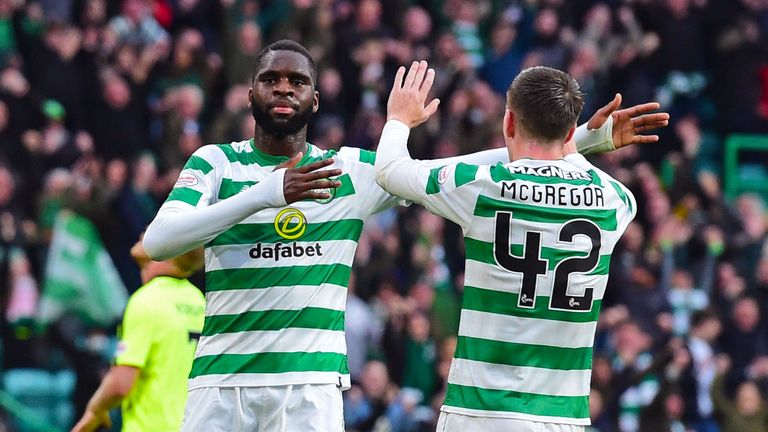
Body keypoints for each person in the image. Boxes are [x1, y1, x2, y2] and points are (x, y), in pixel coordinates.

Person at [142, 40, 668, 431]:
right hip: (218, 382)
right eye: (271, 79)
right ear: (249, 92)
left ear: (316, 100)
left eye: (297, 81)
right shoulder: (215, 162)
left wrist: (576, 139)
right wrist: (266, 193)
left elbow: (470, 169)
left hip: (310, 390)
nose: (283, 87)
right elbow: (160, 241)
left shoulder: (345, 171)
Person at [375, 62, 664, 431]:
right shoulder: (614, 198)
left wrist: (398, 119)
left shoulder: (483, 186)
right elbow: (565, 160)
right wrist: (588, 142)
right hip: (561, 418)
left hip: (480, 413)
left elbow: (390, 170)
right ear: (570, 130)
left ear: (508, 122)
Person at [71, 237, 205, 432]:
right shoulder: (199, 301)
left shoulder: (147, 301)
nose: (143, 234)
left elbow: (121, 384)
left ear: (165, 249)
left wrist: (95, 409)